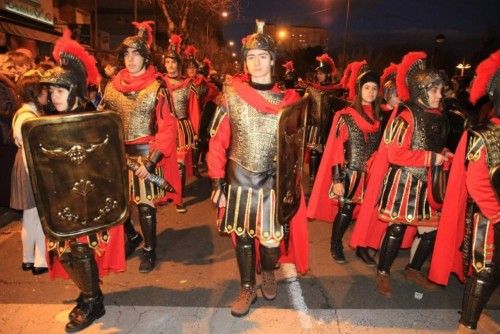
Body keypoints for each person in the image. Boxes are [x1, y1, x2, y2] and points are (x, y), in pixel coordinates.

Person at [207, 20, 309, 317]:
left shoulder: (290, 102)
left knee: (270, 239)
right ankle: (247, 286)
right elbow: (217, 143)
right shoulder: (231, 96)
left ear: (272, 61)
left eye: (262, 56)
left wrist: (291, 187)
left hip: (272, 181)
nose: (256, 62)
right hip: (239, 178)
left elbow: (294, 151)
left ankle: (268, 271)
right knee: (244, 236)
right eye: (251, 57)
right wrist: (217, 184)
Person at [34, 30, 126, 333]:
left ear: (74, 91)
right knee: (64, 252)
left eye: (60, 91)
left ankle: (93, 300)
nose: (54, 97)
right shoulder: (46, 124)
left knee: (81, 250)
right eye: (52, 91)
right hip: (62, 200)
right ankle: (88, 292)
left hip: (89, 200)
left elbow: (108, 162)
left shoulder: (94, 119)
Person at [366, 51, 451, 297]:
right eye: (435, 90)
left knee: (430, 232)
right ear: (422, 91)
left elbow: (435, 146)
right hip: (404, 183)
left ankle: (412, 269)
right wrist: (431, 158)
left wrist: (445, 155)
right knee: (396, 229)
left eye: (440, 90)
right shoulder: (405, 117)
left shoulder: (440, 117)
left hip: (429, 185)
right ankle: (383, 273)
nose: (439, 94)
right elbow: (395, 155)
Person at [428, 50, 500, 334]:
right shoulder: (482, 135)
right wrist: (497, 215)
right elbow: (478, 183)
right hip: (488, 219)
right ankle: (466, 324)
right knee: (485, 271)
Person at [98, 21, 179, 273]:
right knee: (119, 207)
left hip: (145, 153)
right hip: (118, 155)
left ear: (145, 57)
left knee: (145, 206)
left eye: (136, 54)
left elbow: (167, 126)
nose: (131, 59)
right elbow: (104, 120)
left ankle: (150, 250)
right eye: (126, 54)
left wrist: (153, 162)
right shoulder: (111, 87)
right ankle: (132, 237)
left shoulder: (157, 86)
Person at [307, 60, 380, 266]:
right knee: (346, 211)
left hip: (371, 174)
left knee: (367, 213)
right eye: (367, 87)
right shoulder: (346, 116)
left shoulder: (379, 117)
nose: (371, 91)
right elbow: (337, 149)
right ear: (359, 90)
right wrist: (337, 179)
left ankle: (362, 247)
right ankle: (335, 244)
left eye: (374, 88)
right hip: (349, 172)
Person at [10, 69, 48, 275]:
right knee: (39, 216)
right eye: (44, 90)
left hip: (23, 166)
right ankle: (40, 261)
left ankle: (28, 258)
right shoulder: (29, 118)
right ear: (36, 93)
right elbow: (29, 150)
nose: (47, 94)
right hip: (29, 167)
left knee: (30, 217)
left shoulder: (22, 113)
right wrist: (35, 176)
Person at [163, 34, 201, 213]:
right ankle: (166, 193)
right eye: (167, 62)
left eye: (173, 62)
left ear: (179, 64)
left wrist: (195, 132)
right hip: (163, 130)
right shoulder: (158, 83)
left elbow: (193, 109)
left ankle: (178, 198)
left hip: (182, 128)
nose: (170, 66)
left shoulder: (188, 85)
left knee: (179, 166)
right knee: (163, 163)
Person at [304, 53, 344, 182]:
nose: (318, 75)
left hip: (329, 126)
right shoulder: (311, 89)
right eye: (318, 73)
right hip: (314, 125)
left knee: (326, 152)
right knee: (314, 151)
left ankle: (324, 178)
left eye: (321, 73)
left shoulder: (336, 90)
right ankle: (312, 177)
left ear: (327, 74)